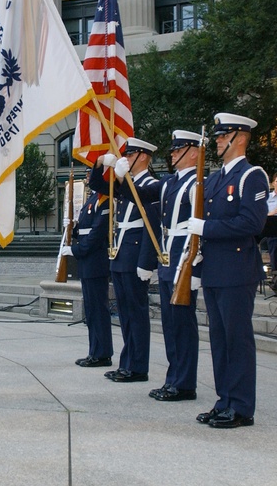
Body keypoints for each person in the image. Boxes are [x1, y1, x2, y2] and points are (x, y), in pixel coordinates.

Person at [188, 113, 269, 429]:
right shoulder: (216, 178)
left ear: (240, 138)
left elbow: (252, 223)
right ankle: (224, 401)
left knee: (237, 340)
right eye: (218, 136)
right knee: (220, 341)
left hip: (237, 271)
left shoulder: (252, 176)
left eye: (223, 136)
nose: (218, 141)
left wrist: (207, 227)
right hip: (215, 270)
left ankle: (241, 407)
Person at [132, 130, 203, 402]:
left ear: (194, 153)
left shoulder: (198, 184)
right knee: (171, 325)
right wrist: (118, 174)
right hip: (167, 259)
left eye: (178, 150)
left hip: (185, 259)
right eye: (173, 150)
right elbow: (135, 193)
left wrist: (196, 270)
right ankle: (174, 379)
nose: (172, 154)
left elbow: (199, 230)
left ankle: (185, 384)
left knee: (183, 324)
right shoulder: (169, 183)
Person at [89, 137, 159, 383]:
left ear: (143, 157)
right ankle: (127, 363)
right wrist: (100, 163)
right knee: (126, 314)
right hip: (120, 251)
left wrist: (146, 262)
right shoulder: (125, 183)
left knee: (136, 313)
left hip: (135, 251)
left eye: (130, 155)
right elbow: (98, 184)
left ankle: (138, 367)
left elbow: (152, 226)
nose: (125, 158)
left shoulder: (150, 184)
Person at [61, 189, 112, 367]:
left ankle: (102, 353)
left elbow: (97, 234)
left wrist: (75, 251)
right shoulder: (92, 198)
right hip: (88, 263)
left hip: (95, 261)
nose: (90, 175)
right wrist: (71, 228)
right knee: (91, 310)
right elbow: (83, 230)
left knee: (98, 310)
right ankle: (95, 351)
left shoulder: (105, 199)